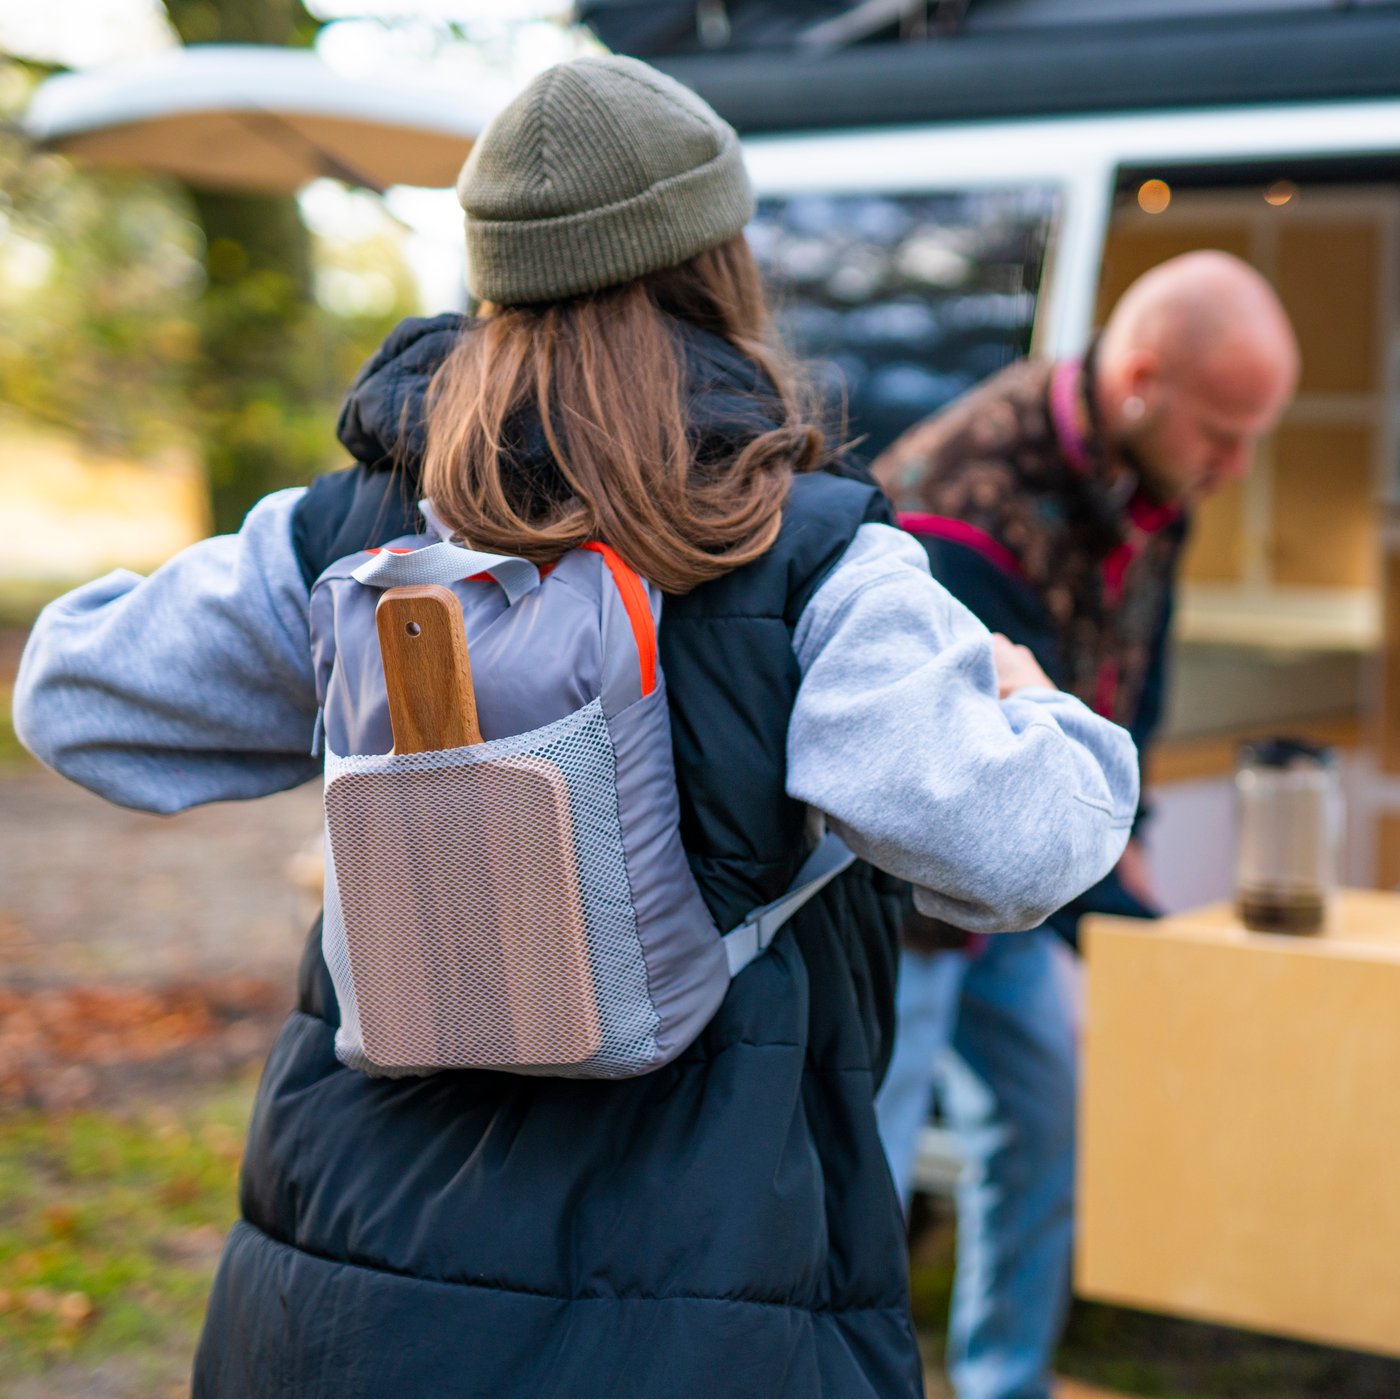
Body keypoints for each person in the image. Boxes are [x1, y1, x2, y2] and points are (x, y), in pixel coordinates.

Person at [12, 56, 1139, 1399]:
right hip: (700, 1303)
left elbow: (72, 695)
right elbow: (1008, 851)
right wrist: (1041, 708)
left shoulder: (348, 534)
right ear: (719, 264)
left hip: (351, 1288)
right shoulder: (822, 561)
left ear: (494, 275)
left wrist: (355, 712)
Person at [871, 250, 1300, 1399]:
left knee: (1037, 1120)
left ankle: (1002, 1381)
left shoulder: (1159, 478)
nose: (1235, 466)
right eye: (1222, 433)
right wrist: (1118, 928)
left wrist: (1135, 838)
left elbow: (1131, 681)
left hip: (1021, 876)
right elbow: (991, 777)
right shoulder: (965, 499)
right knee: (866, 1163)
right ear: (1143, 378)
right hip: (905, 887)